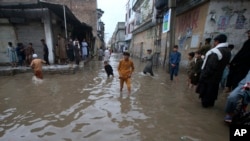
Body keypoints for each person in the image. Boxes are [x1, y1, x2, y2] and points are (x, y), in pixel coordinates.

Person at [196, 34, 231, 108]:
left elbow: (211, 66)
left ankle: (205, 106)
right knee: (213, 92)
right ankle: (210, 105)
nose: (213, 43)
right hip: (218, 76)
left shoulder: (216, 51)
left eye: (214, 41)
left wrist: (203, 76)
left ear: (217, 41)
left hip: (209, 77)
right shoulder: (228, 51)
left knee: (206, 93)